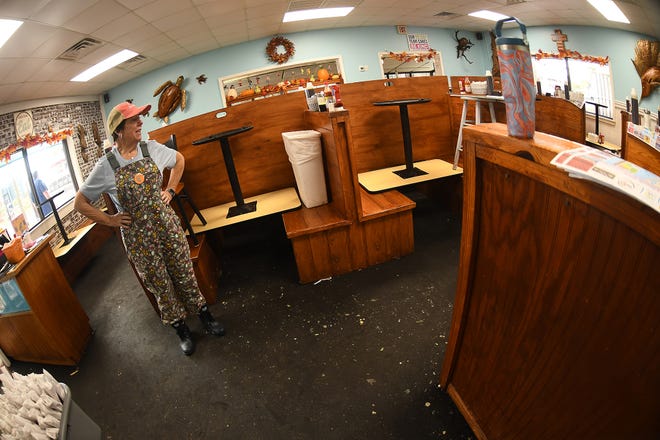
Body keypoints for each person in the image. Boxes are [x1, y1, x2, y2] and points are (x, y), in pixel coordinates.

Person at [74, 101, 224, 355]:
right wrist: (110, 220)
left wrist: (171, 189)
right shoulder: (106, 166)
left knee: (183, 271)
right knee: (159, 283)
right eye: (134, 120)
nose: (140, 122)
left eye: (140, 118)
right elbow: (80, 202)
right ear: (119, 129)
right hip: (138, 235)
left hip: (165, 225)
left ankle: (204, 315)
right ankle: (181, 329)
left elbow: (179, 160)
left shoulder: (150, 148)